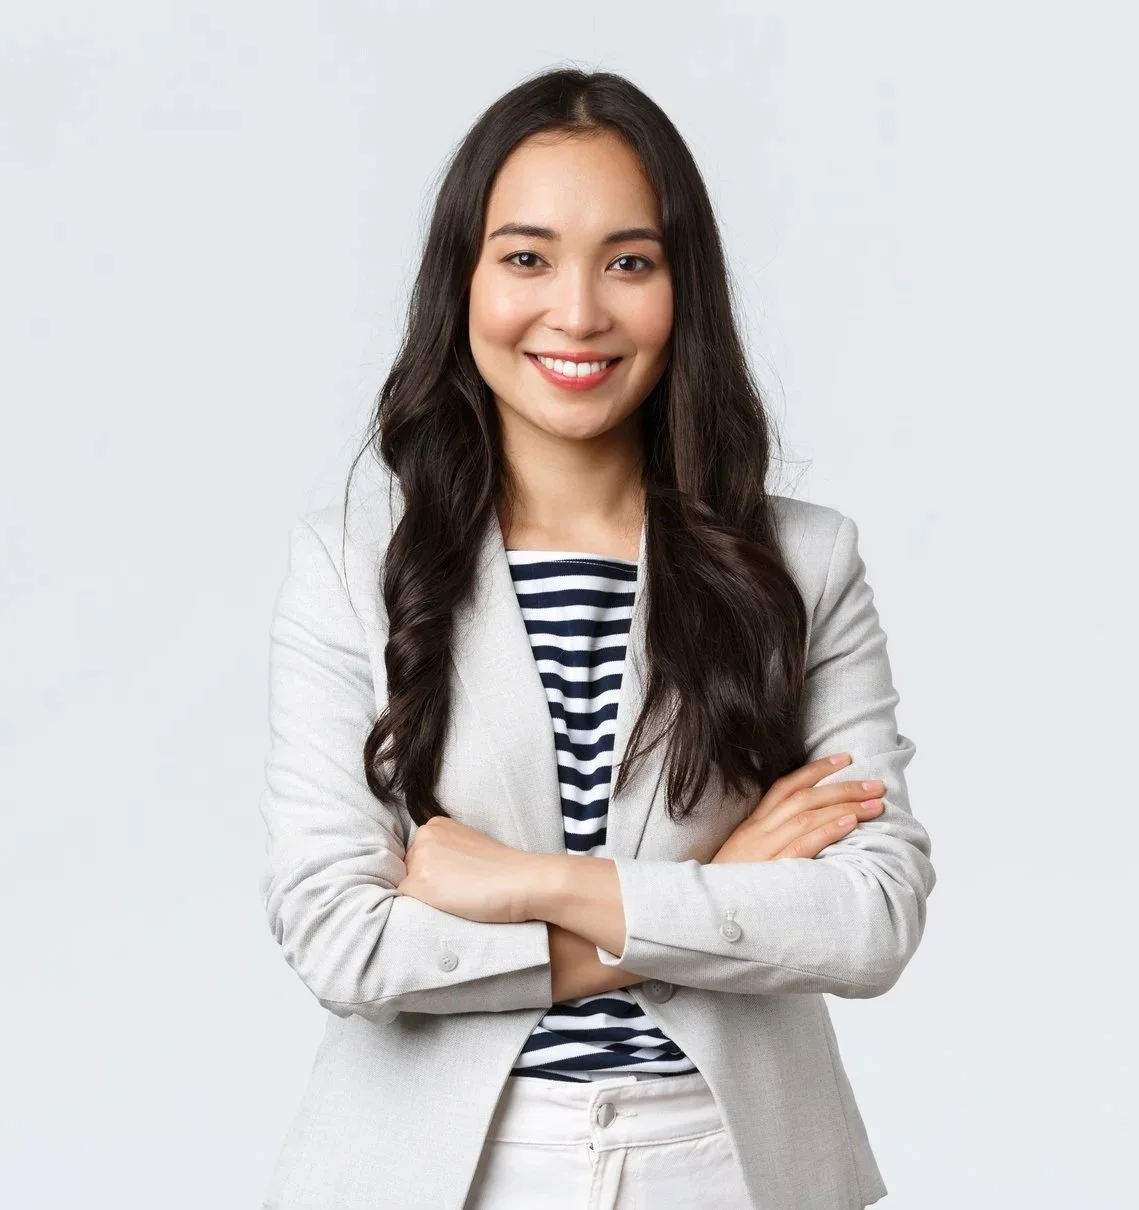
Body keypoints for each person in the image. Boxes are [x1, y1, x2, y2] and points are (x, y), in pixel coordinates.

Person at [257, 66, 935, 1210]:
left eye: (629, 260)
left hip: (734, 1167)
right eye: (526, 257)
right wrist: (714, 889)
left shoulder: (801, 561)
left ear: (684, 287)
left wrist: (531, 883)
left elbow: (869, 916)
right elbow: (344, 940)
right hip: (439, 1175)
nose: (577, 312)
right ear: (462, 280)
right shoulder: (349, 565)